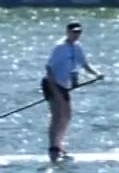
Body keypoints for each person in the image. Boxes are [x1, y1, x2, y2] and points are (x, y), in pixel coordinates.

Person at [41, 21, 102, 162]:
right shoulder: (60, 47)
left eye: (78, 32)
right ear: (67, 32)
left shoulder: (77, 47)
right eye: (73, 32)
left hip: (63, 85)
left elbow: (83, 64)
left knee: (66, 116)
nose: (76, 35)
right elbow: (49, 68)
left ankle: (59, 146)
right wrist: (55, 90)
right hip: (51, 83)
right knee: (57, 116)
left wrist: (97, 74)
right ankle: (53, 149)